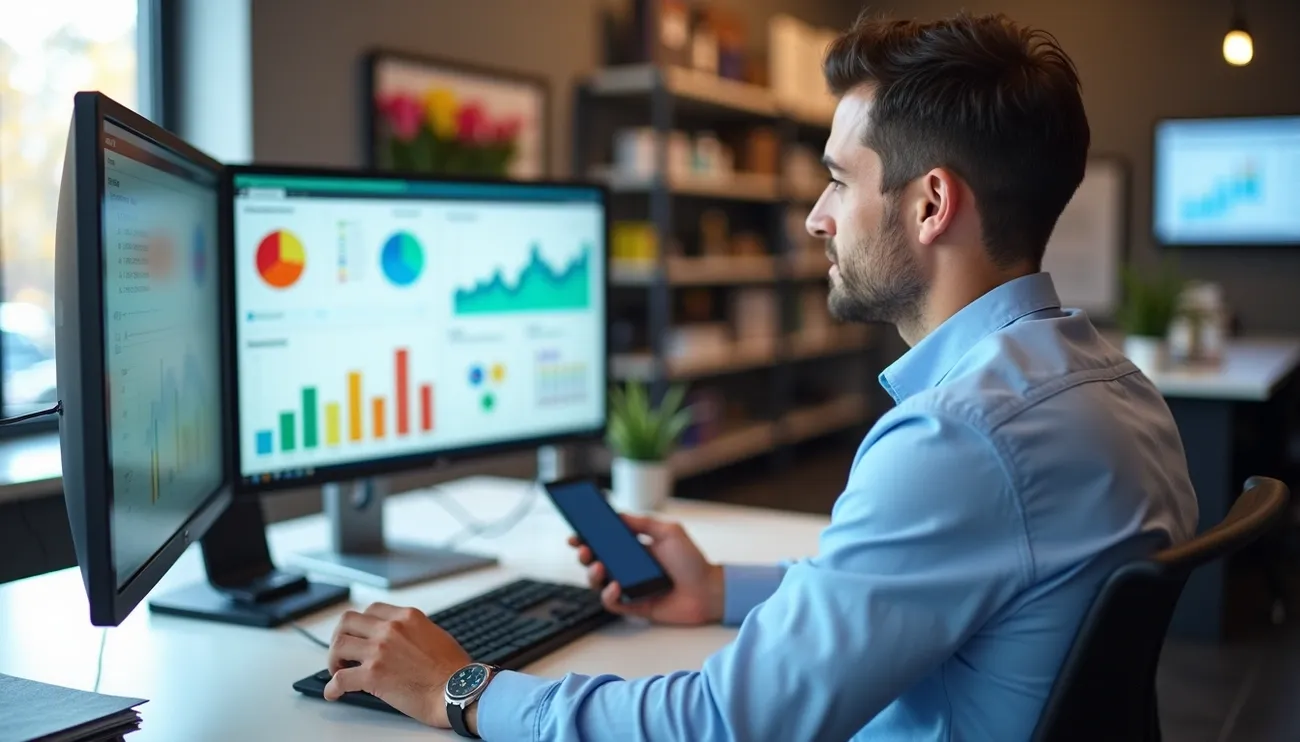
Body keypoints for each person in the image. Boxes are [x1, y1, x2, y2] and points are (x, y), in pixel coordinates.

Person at [322, 11, 1199, 741]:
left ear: (931, 204)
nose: (817, 217)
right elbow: (920, 583)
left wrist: (461, 688)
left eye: (839, 181)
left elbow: (725, 724)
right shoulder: (1115, 389)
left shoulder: (960, 437)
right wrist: (718, 590)